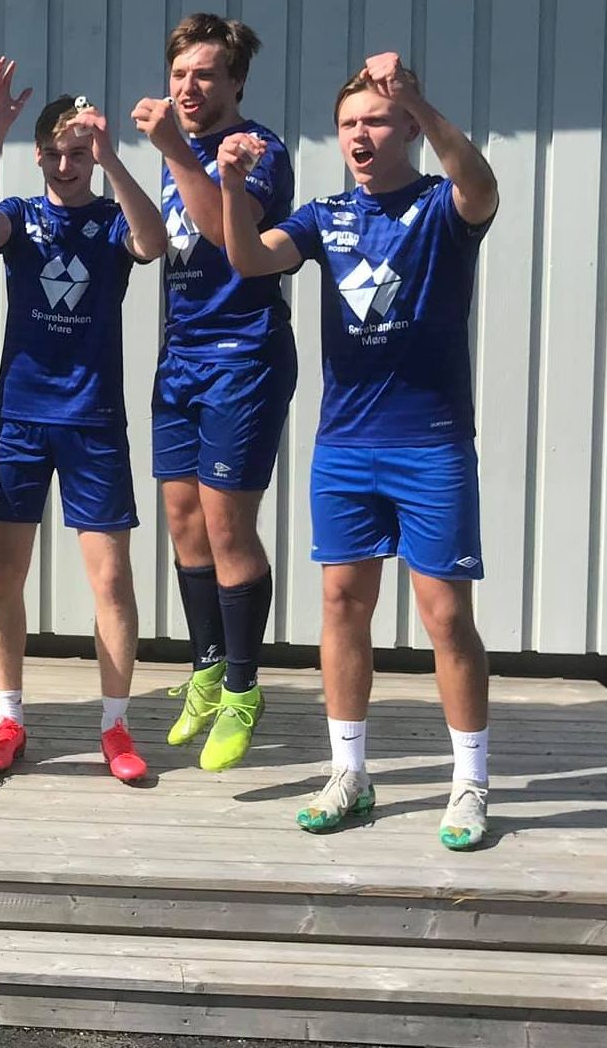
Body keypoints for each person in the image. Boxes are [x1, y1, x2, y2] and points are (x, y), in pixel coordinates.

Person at [214, 51, 498, 850]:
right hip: (344, 444)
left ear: (406, 127)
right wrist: (230, 188)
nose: (359, 135)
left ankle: (469, 782)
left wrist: (421, 99)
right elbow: (250, 258)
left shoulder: (439, 204)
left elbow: (481, 188)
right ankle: (349, 772)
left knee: (445, 614)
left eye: (375, 119)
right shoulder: (324, 214)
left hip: (429, 443)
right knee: (341, 602)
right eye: (347, 124)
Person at [0, 63, 165, 783]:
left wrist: (114, 159)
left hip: (92, 419)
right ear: (39, 155)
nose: (66, 165)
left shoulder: (111, 220)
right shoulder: (20, 215)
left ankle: (114, 725)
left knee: (110, 578)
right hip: (20, 416)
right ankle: (9, 716)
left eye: (78, 153)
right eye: (54, 152)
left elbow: (154, 242)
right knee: (3, 575)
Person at [129, 14, 297, 774]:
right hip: (181, 358)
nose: (188, 88)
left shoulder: (254, 148)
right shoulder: (181, 149)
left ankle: (241, 688)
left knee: (229, 527)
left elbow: (230, 239)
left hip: (243, 356)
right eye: (178, 75)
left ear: (236, 82)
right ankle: (205, 666)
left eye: (204, 74)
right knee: (184, 520)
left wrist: (172, 148)